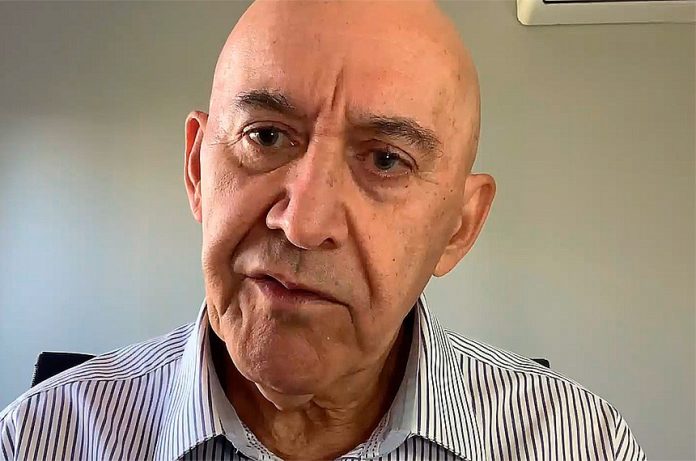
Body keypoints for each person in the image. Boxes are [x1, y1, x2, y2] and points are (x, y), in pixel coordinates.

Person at [0, 1, 645, 460]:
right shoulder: (39, 439)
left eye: (386, 160)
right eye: (266, 137)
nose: (304, 224)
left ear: (458, 227)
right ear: (197, 167)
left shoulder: (580, 443)